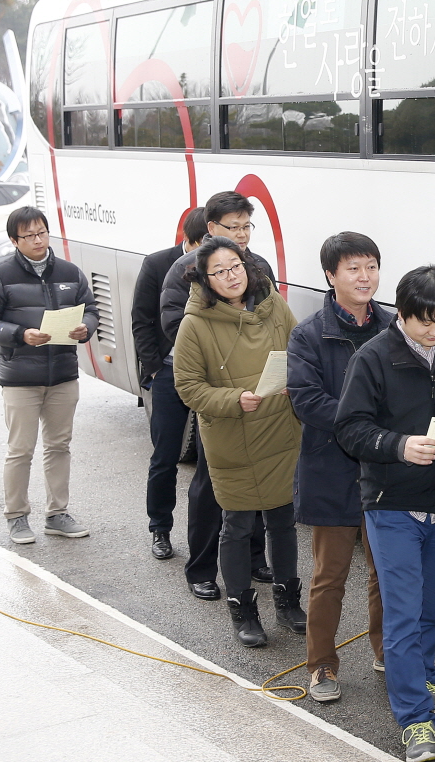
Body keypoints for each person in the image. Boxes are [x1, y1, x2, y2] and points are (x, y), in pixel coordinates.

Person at [336, 265, 435, 762]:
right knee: (401, 615)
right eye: (426, 321)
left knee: (432, 610)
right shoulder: (373, 357)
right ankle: (415, 720)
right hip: (392, 505)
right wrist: (399, 446)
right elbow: (350, 429)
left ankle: (425, 682)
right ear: (402, 313)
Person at [172, 236, 304, 647]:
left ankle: (287, 601)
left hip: (280, 430)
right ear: (205, 279)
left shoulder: (274, 305)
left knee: (283, 520)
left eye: (236, 267)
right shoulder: (194, 324)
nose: (231, 277)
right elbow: (188, 387)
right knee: (238, 524)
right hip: (233, 435)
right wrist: (233, 399)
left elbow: (301, 352)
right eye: (220, 271)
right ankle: (243, 610)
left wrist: (295, 382)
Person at [288, 232, 394, 703]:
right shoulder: (308, 334)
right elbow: (307, 401)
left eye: (370, 266)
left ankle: (388, 652)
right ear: (331, 276)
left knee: (385, 573)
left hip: (385, 474)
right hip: (332, 468)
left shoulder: (394, 327)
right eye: (353, 268)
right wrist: (364, 427)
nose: (364, 276)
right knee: (329, 576)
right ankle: (321, 666)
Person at [161, 191, 273, 600]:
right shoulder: (184, 270)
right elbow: (178, 328)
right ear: (211, 229)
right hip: (220, 398)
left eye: (247, 227)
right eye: (234, 227)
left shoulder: (257, 267)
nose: (242, 235)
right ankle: (202, 568)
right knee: (211, 487)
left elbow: (273, 323)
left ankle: (255, 558)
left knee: (262, 479)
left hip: (260, 395)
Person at [0, 206, 99, 544]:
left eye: (42, 232)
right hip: (20, 376)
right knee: (20, 450)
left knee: (59, 446)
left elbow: (92, 310)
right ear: (15, 240)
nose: (38, 240)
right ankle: (16, 517)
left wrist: (84, 329)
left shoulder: (70, 272)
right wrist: (19, 334)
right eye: (29, 235)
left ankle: (57, 514)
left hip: (62, 374)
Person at [133, 206, 208, 560]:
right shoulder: (158, 263)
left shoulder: (223, 264)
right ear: (188, 239)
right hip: (169, 372)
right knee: (165, 456)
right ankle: (159, 528)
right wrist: (153, 370)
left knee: (212, 462)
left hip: (211, 377)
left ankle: (210, 534)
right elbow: (141, 320)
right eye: (200, 244)